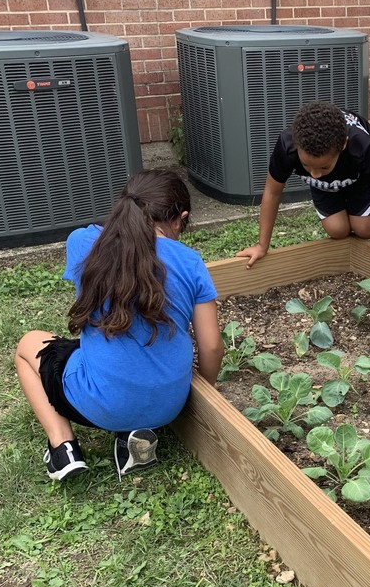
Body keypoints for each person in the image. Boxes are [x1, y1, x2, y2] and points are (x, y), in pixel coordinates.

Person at [15, 169, 224, 482]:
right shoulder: (190, 261)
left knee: (28, 345)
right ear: (180, 219)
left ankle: (63, 449)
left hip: (99, 405)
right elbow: (210, 346)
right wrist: (199, 396)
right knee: (126, 357)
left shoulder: (83, 243)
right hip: (169, 405)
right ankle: (132, 440)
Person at [236, 101, 370, 273]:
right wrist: (261, 246)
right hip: (324, 187)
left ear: (343, 145)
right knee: (338, 230)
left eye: (323, 167)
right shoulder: (287, 145)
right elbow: (272, 193)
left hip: (356, 178)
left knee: (362, 228)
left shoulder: (361, 146)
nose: (314, 173)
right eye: (307, 166)